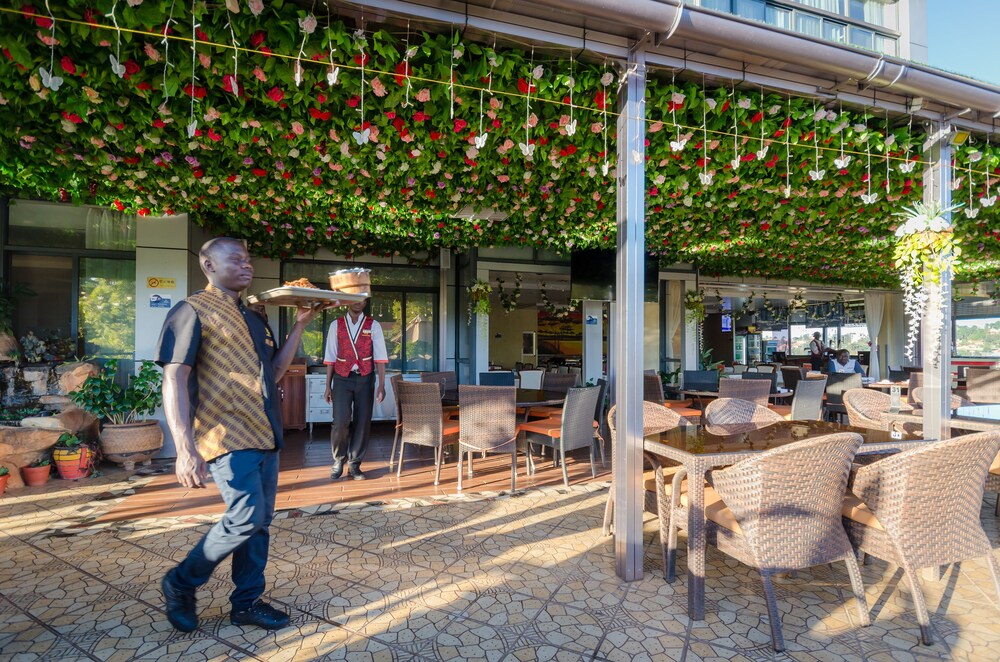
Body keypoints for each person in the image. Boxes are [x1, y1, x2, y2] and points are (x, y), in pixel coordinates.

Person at [156, 237, 329, 633]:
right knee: (245, 516)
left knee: (259, 522)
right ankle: (180, 582)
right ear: (208, 265)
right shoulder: (190, 310)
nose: (246, 265)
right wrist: (183, 447)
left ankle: (247, 603)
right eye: (235, 259)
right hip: (224, 432)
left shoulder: (254, 316)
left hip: (265, 431)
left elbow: (276, 371)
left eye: (248, 259)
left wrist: (300, 325)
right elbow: (174, 377)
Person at [324, 298, 388, 480]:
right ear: (347, 301)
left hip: (365, 378)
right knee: (340, 421)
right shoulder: (336, 325)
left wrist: (381, 385)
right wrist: (328, 386)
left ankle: (354, 463)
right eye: (354, 298)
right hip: (341, 378)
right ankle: (339, 459)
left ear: (365, 302)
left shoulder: (373, 325)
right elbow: (330, 357)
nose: (358, 302)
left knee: (362, 421)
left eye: (362, 298)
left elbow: (380, 357)